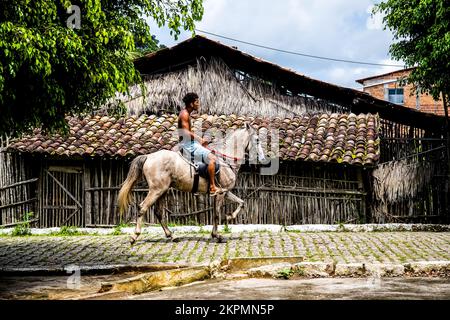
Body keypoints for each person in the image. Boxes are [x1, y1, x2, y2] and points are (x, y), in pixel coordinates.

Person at [178, 92, 226, 195]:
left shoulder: (186, 114)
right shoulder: (184, 114)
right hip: (187, 146)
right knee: (212, 158)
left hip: (190, 144)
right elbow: (185, 132)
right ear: (191, 104)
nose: (198, 104)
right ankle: (213, 187)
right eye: (196, 102)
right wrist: (200, 140)